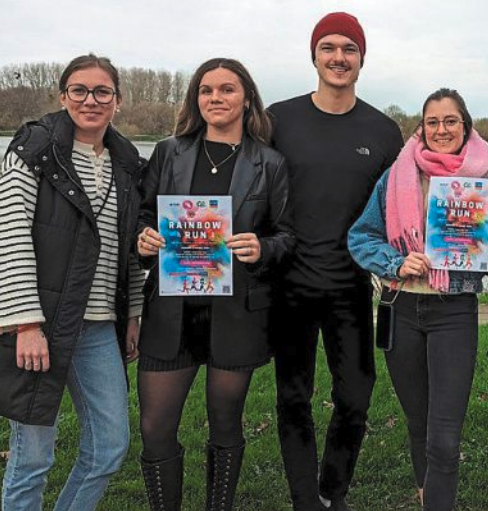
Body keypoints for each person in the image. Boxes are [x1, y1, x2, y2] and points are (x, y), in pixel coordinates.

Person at [348, 88, 488, 511]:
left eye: (450, 121)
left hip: (454, 311)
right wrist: (394, 262)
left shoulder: (487, 181)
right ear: (421, 127)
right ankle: (428, 496)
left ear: (466, 127)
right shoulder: (397, 175)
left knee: (444, 434)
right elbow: (360, 237)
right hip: (401, 309)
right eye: (433, 122)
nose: (441, 130)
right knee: (418, 421)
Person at [135, 57, 293, 511]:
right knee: (155, 427)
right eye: (207, 90)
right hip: (171, 310)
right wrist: (144, 239)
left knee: (226, 423)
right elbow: (145, 216)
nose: (216, 98)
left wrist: (262, 248)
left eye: (227, 89)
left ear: (246, 99)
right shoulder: (169, 152)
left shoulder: (270, 163)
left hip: (236, 311)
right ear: (195, 98)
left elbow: (287, 235)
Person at [267, 12, 404, 511]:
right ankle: (305, 498)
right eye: (329, 48)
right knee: (293, 398)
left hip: (351, 286)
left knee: (355, 397)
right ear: (314, 56)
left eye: (349, 48)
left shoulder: (384, 130)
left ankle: (333, 491)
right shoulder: (277, 119)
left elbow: (405, 203)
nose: (338, 57)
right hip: (289, 284)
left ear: (362, 59)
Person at [0, 54, 146, 511]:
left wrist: (134, 313)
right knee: (33, 458)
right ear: (63, 97)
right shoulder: (34, 148)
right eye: (79, 90)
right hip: (40, 324)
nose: (91, 100)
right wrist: (25, 323)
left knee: (109, 448)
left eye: (102, 91)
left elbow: (130, 249)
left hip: (99, 327)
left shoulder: (127, 163)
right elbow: (11, 233)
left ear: (117, 101)